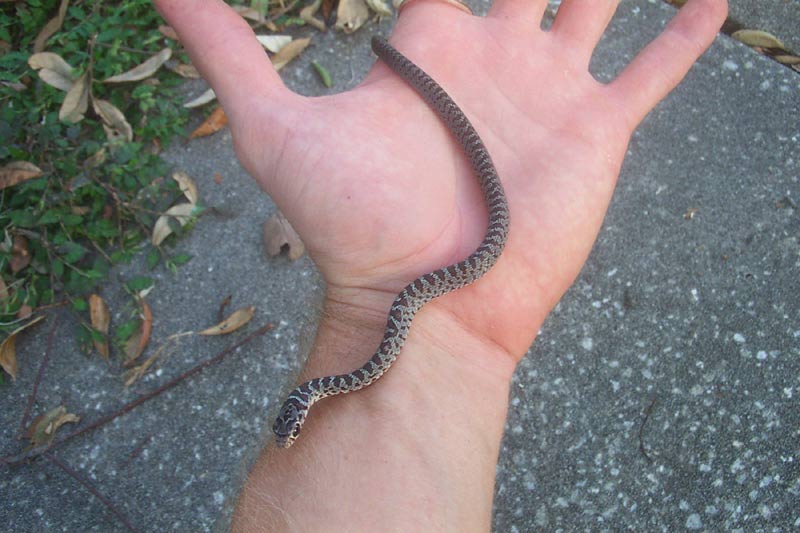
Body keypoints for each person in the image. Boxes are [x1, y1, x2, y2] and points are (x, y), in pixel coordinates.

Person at [153, 0, 727, 530]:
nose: (293, 432)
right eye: (294, 428)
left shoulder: (342, 385)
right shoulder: (341, 384)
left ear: (301, 410)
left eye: (293, 423)